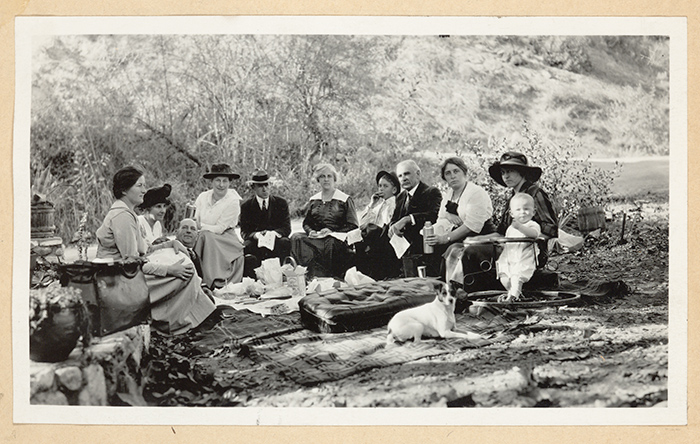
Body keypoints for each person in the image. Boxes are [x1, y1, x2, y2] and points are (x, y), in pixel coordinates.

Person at [95, 166, 216, 335]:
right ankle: (172, 322)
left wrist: (170, 244)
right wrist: (169, 270)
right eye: (140, 186)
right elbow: (131, 264)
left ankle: (196, 312)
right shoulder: (122, 216)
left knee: (179, 260)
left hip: (125, 273)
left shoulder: (127, 213)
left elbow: (145, 250)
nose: (144, 190)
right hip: (117, 281)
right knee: (181, 274)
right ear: (124, 189)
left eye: (144, 185)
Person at [450, 151, 558, 291]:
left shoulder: (535, 194)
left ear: (522, 172)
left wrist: (525, 238)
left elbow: (551, 229)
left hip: (528, 251)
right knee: (458, 248)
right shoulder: (513, 199)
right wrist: (476, 239)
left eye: (510, 171)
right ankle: (456, 288)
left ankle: (469, 291)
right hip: (509, 247)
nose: (506, 176)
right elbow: (502, 232)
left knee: (472, 252)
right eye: (503, 172)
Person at [290, 163, 359, 279]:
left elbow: (353, 225)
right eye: (322, 176)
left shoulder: (344, 199)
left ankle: (328, 277)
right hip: (317, 238)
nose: (326, 179)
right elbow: (306, 223)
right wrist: (310, 231)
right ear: (318, 179)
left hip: (337, 238)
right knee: (296, 237)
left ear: (334, 178)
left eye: (329, 176)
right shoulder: (314, 200)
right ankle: (304, 275)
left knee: (330, 242)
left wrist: (332, 231)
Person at [386, 159, 442, 277]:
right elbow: (395, 219)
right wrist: (393, 227)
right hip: (401, 244)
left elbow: (434, 215)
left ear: (418, 174)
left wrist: (408, 219)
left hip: (422, 244)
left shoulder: (431, 192)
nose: (403, 178)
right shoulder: (401, 196)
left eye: (407, 174)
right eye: (400, 176)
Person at [193, 163, 245, 289]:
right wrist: (195, 226)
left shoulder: (233, 201)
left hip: (225, 238)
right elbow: (195, 218)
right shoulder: (202, 197)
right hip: (202, 235)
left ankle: (211, 280)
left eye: (225, 181)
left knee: (205, 236)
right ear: (211, 181)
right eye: (217, 180)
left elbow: (220, 228)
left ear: (229, 183)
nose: (221, 185)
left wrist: (200, 227)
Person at [239, 169, 292, 268]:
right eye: (260, 186)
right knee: (246, 246)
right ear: (253, 187)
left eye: (266, 185)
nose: (264, 189)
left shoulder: (281, 203)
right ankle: (253, 276)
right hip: (256, 243)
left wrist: (272, 234)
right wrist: (257, 235)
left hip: (276, 241)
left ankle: (283, 273)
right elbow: (244, 232)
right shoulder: (246, 206)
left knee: (285, 242)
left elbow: (286, 228)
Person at [354, 170, 400, 279]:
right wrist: (372, 204)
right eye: (379, 186)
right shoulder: (380, 205)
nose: (381, 189)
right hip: (375, 238)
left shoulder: (394, 204)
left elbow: (389, 223)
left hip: (385, 240)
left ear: (394, 190)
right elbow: (361, 221)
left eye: (385, 186)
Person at [496, 193, 541, 301]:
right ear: (511, 213)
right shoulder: (510, 229)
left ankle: (513, 297)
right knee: (504, 276)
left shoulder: (532, 224)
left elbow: (534, 234)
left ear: (533, 212)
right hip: (510, 257)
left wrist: (520, 227)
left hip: (524, 257)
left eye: (526, 209)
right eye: (518, 210)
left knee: (517, 276)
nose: (522, 212)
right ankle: (512, 292)